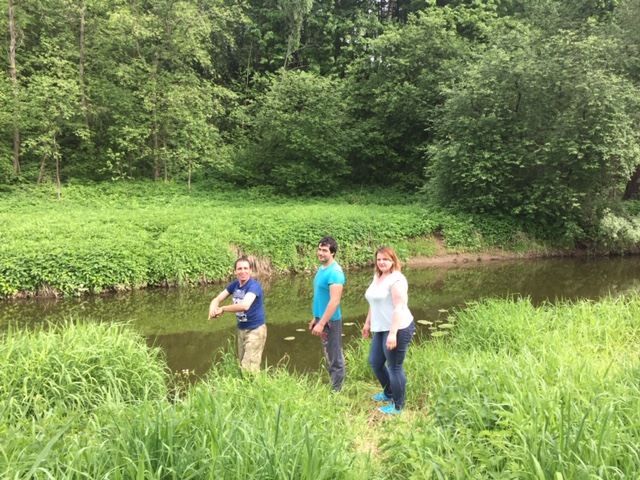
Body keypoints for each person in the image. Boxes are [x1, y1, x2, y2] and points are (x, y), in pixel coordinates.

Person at [362, 246, 415, 414]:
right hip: (381, 327)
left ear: (393, 260)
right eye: (379, 259)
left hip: (398, 328)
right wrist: (367, 323)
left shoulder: (397, 280)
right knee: (375, 362)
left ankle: (398, 406)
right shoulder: (378, 276)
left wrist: (393, 334)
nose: (381, 262)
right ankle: (389, 392)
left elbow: (399, 307)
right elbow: (374, 302)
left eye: (385, 259)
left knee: (394, 367)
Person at [208, 257, 267, 371]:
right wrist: (212, 309)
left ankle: (254, 387)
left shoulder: (254, 286)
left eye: (246, 268)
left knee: (249, 368)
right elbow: (217, 299)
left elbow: (245, 305)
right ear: (235, 271)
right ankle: (248, 387)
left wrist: (223, 308)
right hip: (242, 330)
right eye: (239, 269)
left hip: (255, 330)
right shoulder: (235, 284)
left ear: (250, 270)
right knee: (243, 365)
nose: (243, 271)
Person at [309, 235, 346, 391]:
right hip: (321, 318)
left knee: (334, 356)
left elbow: (334, 301)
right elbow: (321, 297)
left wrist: (322, 323)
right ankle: (334, 385)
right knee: (328, 354)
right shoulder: (322, 268)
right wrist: (315, 318)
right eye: (319, 249)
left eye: (324, 250)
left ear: (333, 253)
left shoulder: (335, 273)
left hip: (330, 321)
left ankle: (336, 391)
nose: (320, 253)